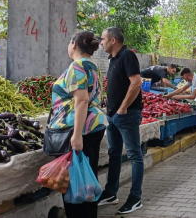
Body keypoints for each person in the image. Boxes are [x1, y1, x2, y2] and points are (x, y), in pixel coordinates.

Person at [49, 31, 107, 218]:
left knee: (74, 180)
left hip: (79, 128)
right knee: (86, 177)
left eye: (68, 42)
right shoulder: (93, 66)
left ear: (74, 44)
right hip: (94, 125)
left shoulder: (77, 67)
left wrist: (76, 135)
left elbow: (81, 101)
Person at [98, 27, 144, 214]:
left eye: (103, 39)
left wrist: (123, 107)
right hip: (113, 115)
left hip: (127, 115)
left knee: (134, 155)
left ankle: (135, 198)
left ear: (113, 40)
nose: (101, 42)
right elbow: (120, 84)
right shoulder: (113, 59)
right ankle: (111, 192)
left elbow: (136, 82)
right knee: (114, 153)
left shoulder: (127, 56)